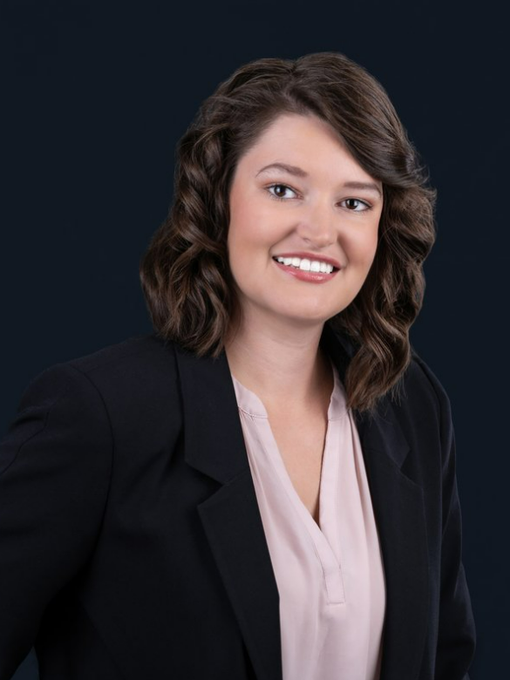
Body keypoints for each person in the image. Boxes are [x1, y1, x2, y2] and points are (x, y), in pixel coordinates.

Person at [0, 52, 476, 680]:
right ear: (218, 199)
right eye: (283, 189)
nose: (320, 230)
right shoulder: (103, 415)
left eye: (354, 203)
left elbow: (445, 659)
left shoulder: (411, 404)